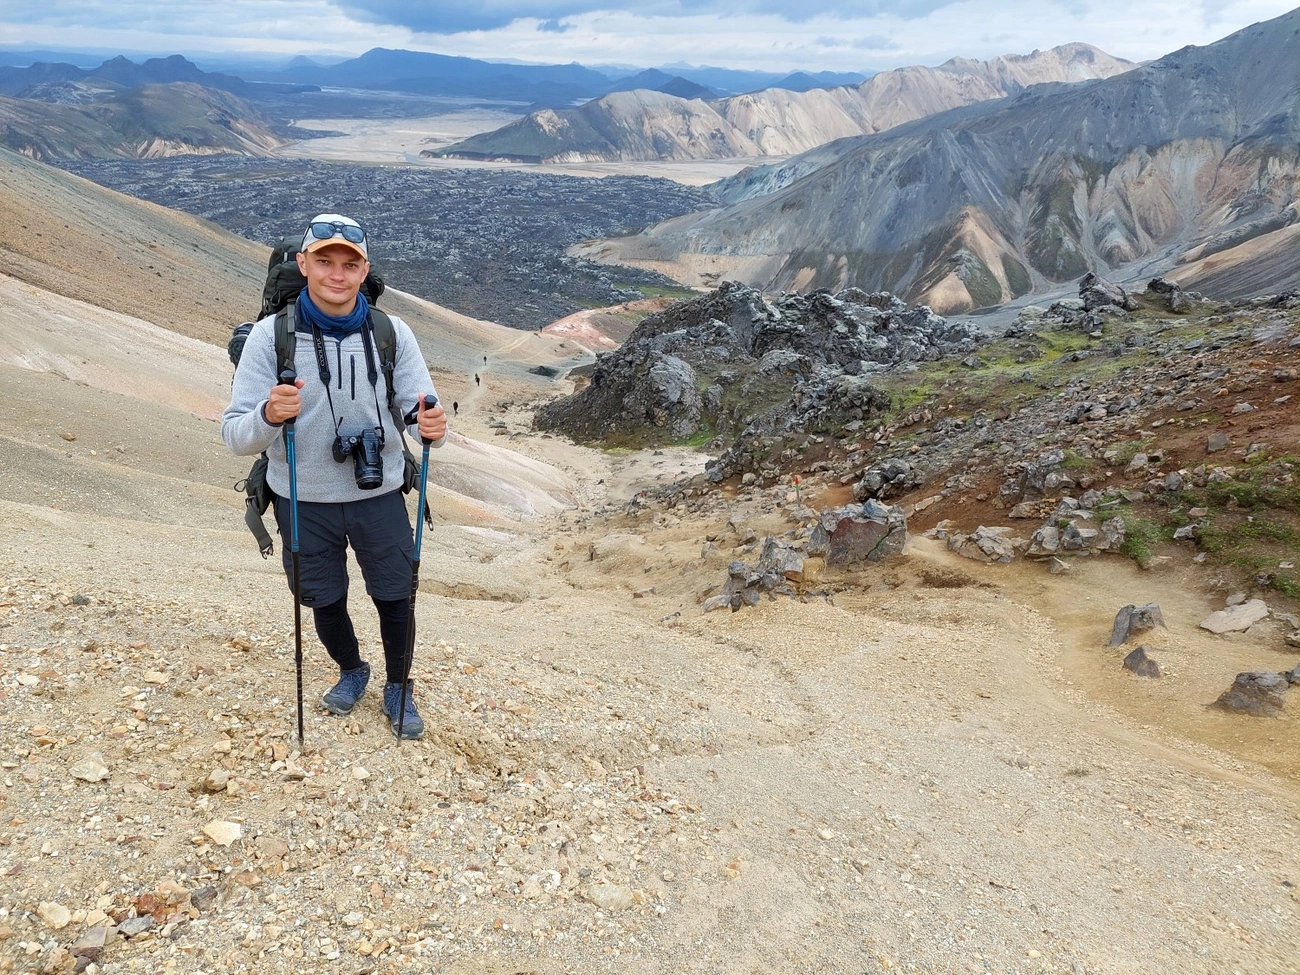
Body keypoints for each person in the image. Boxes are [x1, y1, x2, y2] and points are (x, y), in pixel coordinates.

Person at [222, 214, 448, 739]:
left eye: (350, 263)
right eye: (324, 261)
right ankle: (353, 670)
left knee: (396, 594)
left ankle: (398, 684)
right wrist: (269, 416)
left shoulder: (392, 333)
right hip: (301, 496)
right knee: (321, 598)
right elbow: (236, 436)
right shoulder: (269, 338)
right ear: (303, 265)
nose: (337, 274)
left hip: (380, 490)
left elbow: (420, 414)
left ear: (365, 269)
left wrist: (431, 427)